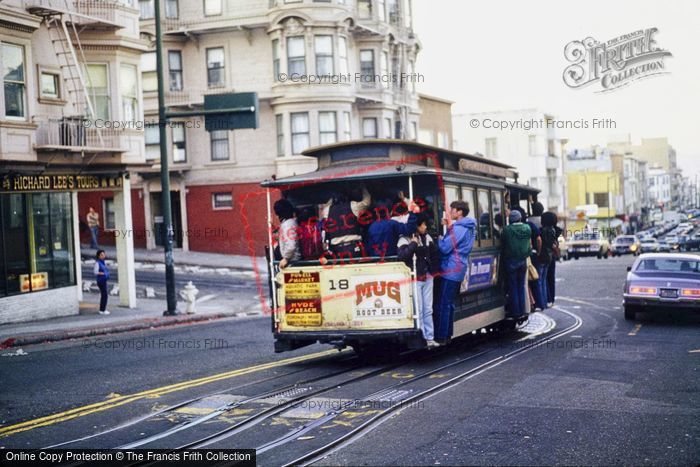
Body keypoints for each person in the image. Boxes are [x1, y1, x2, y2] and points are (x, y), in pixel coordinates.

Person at [435, 201, 477, 344]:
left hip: (450, 268)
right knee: (450, 302)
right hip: (460, 267)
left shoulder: (459, 229)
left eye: (452, 210)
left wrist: (439, 238)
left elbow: (445, 247)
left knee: (443, 302)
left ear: (459, 212)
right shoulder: (468, 227)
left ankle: (441, 336)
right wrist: (449, 226)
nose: (451, 212)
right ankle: (447, 334)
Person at [398, 214, 441, 348]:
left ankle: (430, 337)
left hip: (427, 276)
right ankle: (422, 337)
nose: (426, 227)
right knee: (419, 309)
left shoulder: (427, 238)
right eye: (423, 225)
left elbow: (435, 255)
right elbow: (403, 256)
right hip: (415, 277)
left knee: (427, 308)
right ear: (417, 227)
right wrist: (413, 244)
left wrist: (433, 271)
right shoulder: (403, 239)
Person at [322, 186, 371, 258]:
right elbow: (367, 202)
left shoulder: (327, 210)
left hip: (337, 250)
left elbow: (325, 205)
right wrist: (363, 187)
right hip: (354, 247)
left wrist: (331, 197)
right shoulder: (353, 206)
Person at [502, 210, 532, 318]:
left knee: (512, 287)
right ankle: (523, 310)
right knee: (521, 286)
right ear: (520, 218)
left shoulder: (507, 230)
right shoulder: (527, 228)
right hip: (523, 260)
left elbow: (503, 242)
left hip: (511, 261)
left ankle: (515, 311)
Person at [535, 211, 558, 310]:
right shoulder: (553, 230)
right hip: (549, 257)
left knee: (540, 281)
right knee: (544, 280)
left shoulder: (542, 230)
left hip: (542, 257)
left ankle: (542, 303)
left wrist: (538, 253)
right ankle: (546, 301)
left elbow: (539, 241)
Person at [542, 211, 562, 307]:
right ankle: (551, 299)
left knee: (545, 278)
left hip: (545, 255)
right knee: (551, 278)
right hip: (552, 256)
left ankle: (548, 298)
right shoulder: (556, 230)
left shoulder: (545, 230)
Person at [274, 199, 300, 269]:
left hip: (291, 262)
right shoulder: (291, 223)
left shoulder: (288, 225)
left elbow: (291, 245)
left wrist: (286, 258)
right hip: (292, 261)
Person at [94, 249, 110, 315]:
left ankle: (102, 309)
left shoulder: (103, 262)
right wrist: (101, 273)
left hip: (104, 280)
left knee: (104, 295)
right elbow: (95, 272)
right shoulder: (97, 263)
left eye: (104, 254)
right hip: (101, 281)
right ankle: (102, 310)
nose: (103, 256)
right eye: (101, 255)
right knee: (104, 295)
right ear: (98, 256)